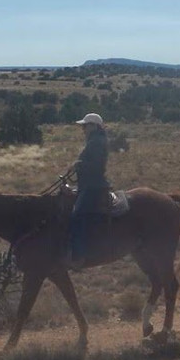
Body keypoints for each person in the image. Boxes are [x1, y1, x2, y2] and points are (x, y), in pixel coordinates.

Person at [66, 112, 111, 269]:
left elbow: (96, 166)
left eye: (85, 126)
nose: (83, 129)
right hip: (89, 184)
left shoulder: (96, 142)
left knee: (77, 216)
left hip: (93, 186)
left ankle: (78, 256)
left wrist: (78, 165)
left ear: (94, 126)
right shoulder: (95, 140)